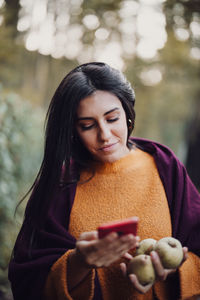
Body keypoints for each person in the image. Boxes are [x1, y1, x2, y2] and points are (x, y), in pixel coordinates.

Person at [9, 62, 200, 300]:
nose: (105, 135)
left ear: (127, 113)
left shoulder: (165, 165)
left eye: (112, 119)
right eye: (87, 125)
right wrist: (79, 262)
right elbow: (27, 278)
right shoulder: (59, 185)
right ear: (72, 130)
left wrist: (177, 269)